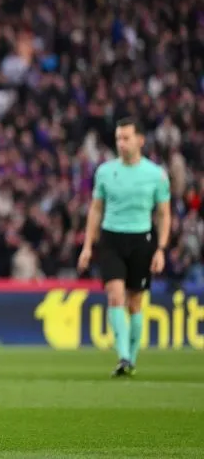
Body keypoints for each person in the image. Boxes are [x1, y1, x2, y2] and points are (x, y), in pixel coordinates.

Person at [78, 118, 171, 377]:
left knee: (135, 303)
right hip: (111, 239)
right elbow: (96, 209)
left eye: (126, 138)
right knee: (115, 296)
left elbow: (164, 213)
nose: (121, 143)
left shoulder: (156, 175)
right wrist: (88, 246)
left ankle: (131, 357)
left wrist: (161, 248)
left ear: (140, 140)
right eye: (118, 138)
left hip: (142, 239)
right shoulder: (105, 172)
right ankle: (123, 357)